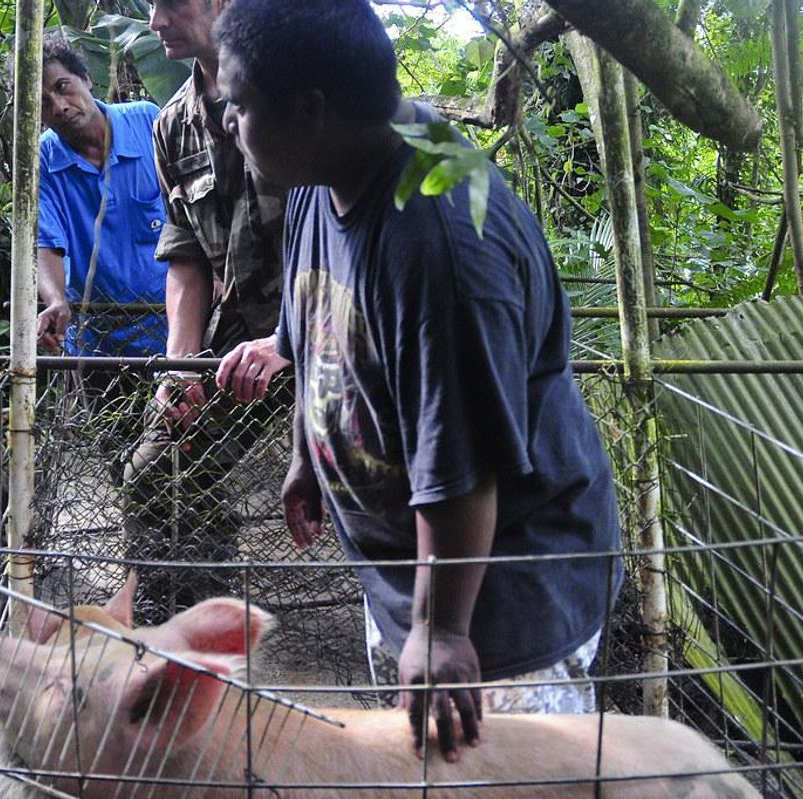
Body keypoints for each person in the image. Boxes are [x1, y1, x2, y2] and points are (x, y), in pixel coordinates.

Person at [214, 0, 623, 763]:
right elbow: (316, 319)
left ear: (309, 109)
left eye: (238, 104)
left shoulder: (440, 244)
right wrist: (312, 451)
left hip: (498, 613)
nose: (231, 123)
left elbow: (464, 464)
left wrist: (441, 633)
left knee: (495, 780)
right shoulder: (324, 170)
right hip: (418, 584)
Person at [120, 0, 291, 620]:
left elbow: (345, 230)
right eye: (150, 5)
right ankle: (194, 623)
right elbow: (186, 256)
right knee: (154, 472)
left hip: (331, 329)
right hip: (236, 331)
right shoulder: (173, 124)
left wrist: (291, 339)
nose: (156, 19)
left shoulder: (295, 92)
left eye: (172, 2)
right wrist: (180, 367)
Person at [35, 35, 168, 360]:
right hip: (96, 342)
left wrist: (217, 275)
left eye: (63, 87)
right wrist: (55, 300)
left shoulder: (147, 122)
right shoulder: (45, 159)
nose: (60, 106)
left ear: (87, 78)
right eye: (43, 102)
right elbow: (46, 243)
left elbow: (192, 210)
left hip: (173, 328)